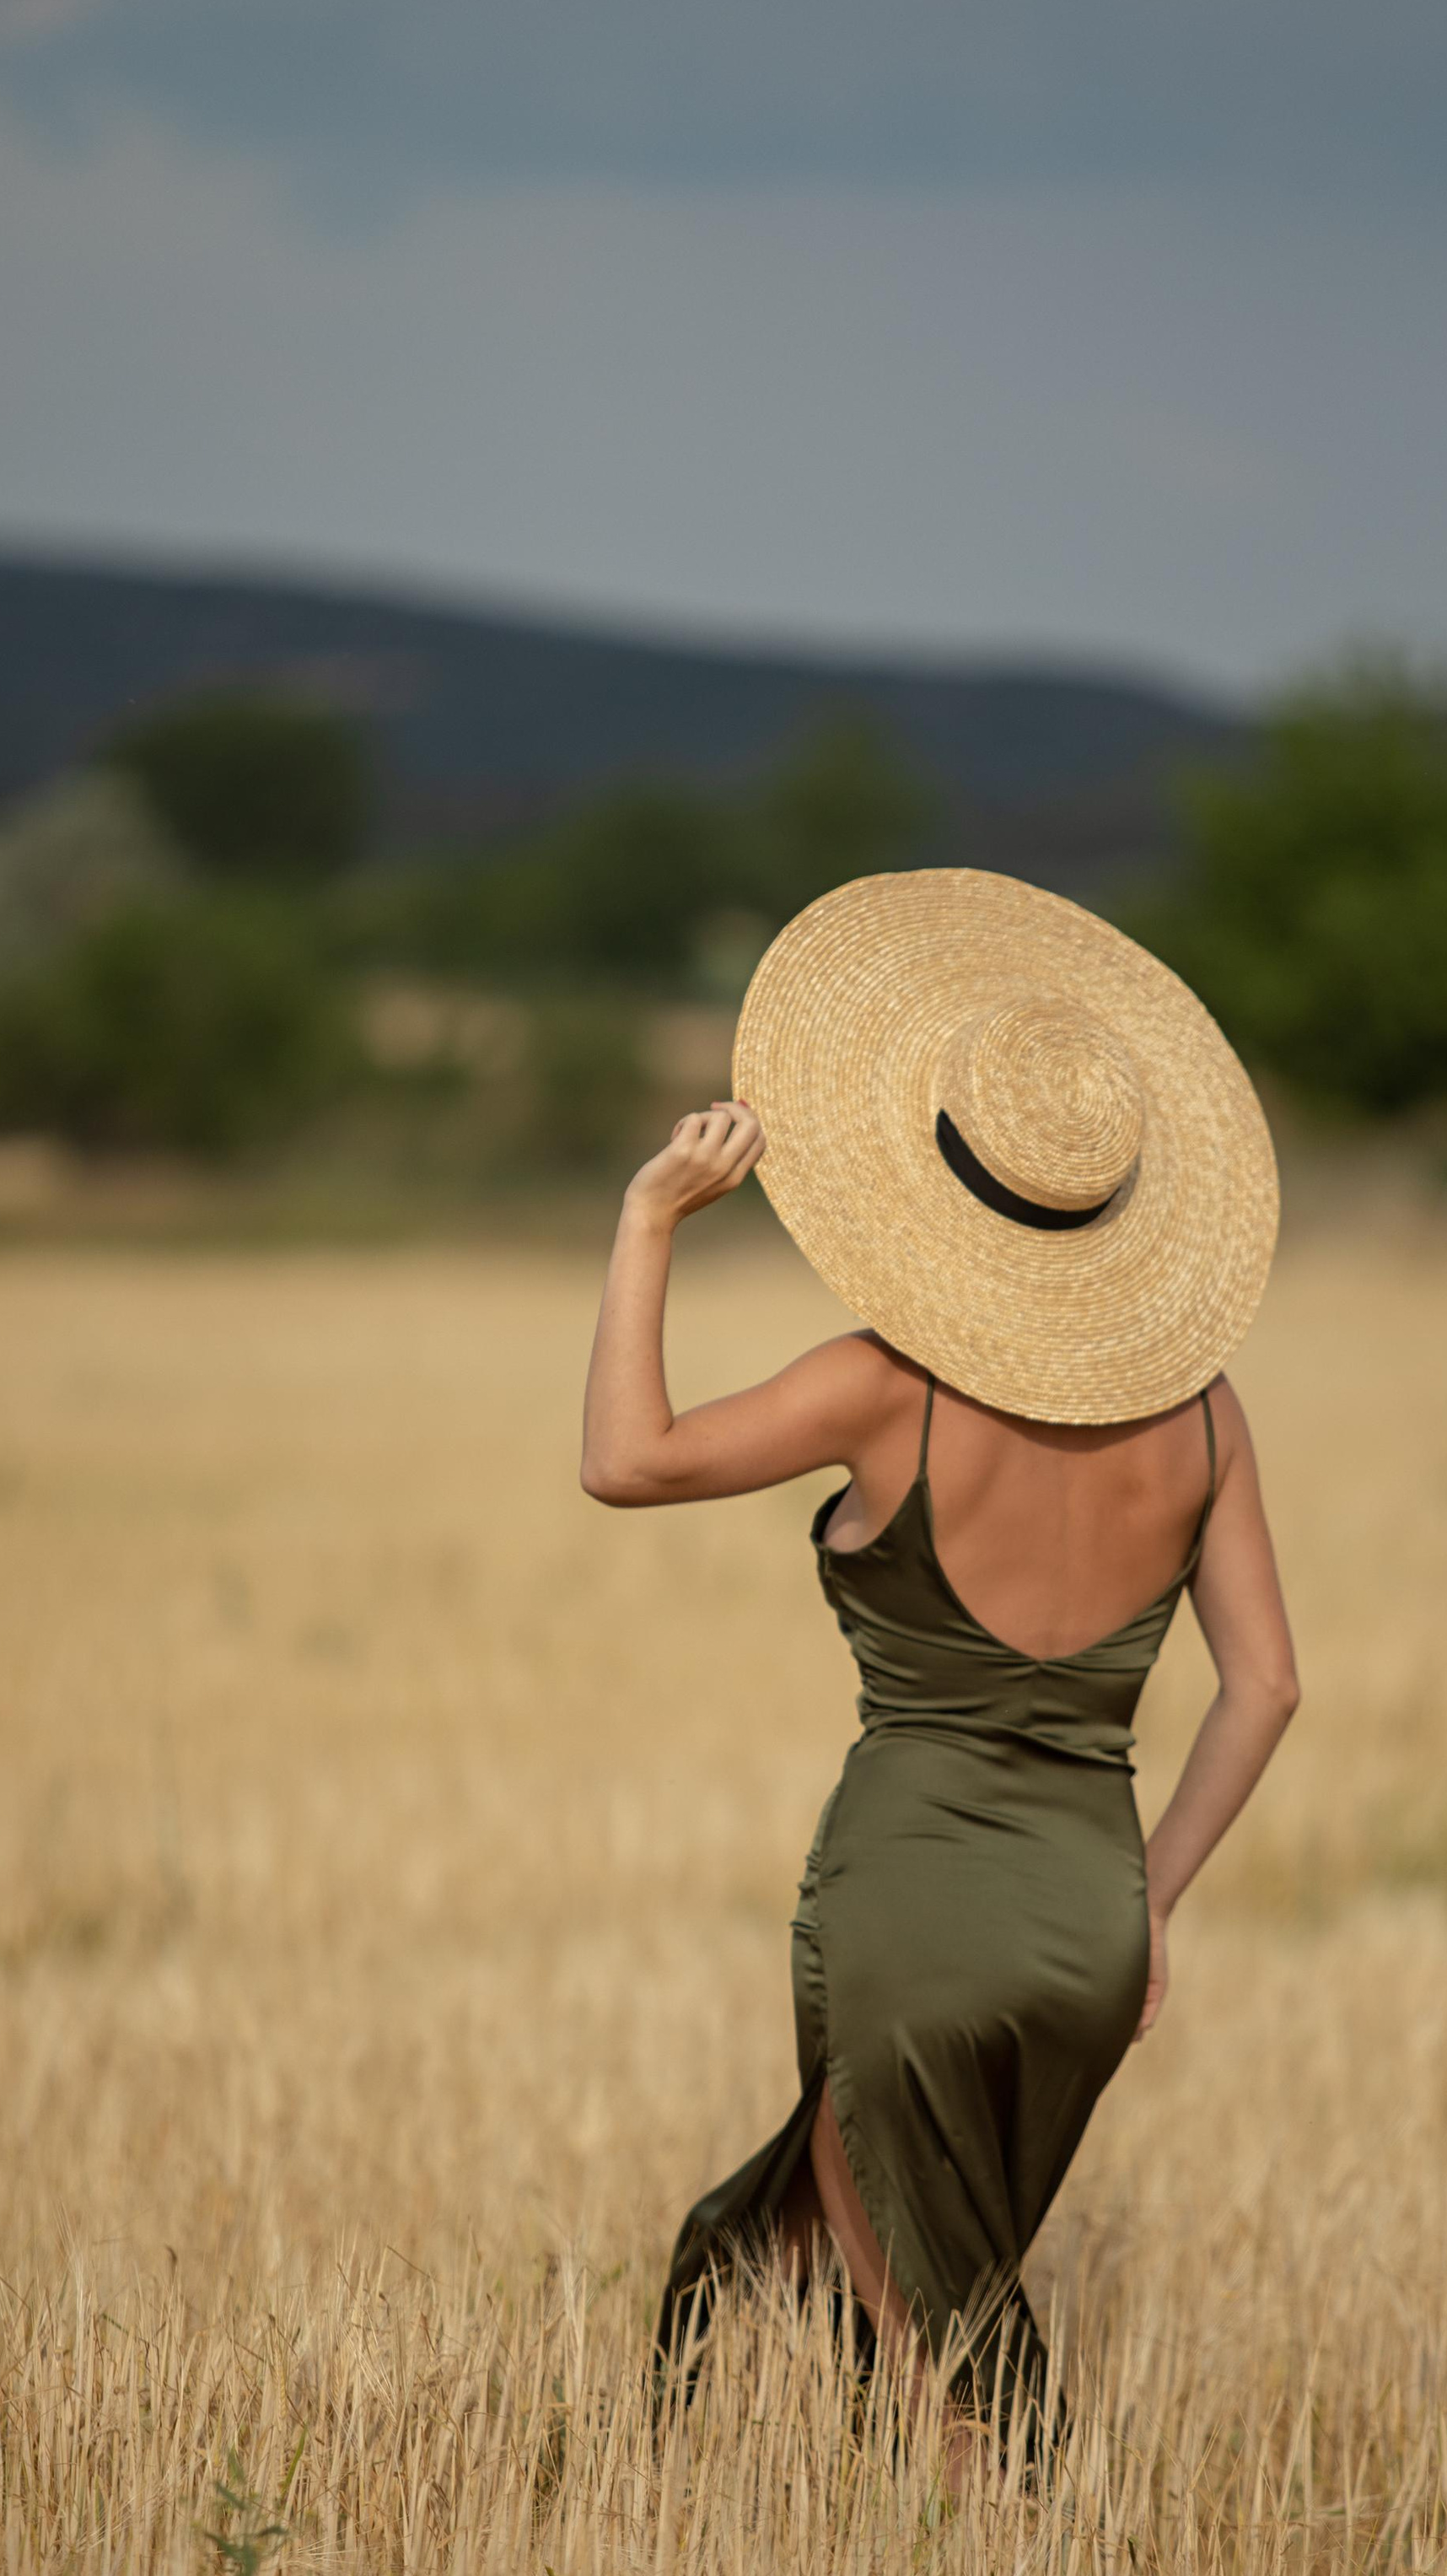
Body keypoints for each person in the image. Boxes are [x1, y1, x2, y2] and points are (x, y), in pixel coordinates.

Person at [579, 868, 1299, 2461]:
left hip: (905, 1897)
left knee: (930, 2333)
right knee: (917, 2260)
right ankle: (813, 2519)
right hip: (1085, 1918)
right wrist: (1152, 1898)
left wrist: (648, 1223)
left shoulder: (878, 1386)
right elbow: (1270, 1688)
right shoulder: (1202, 1413)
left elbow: (625, 1462)